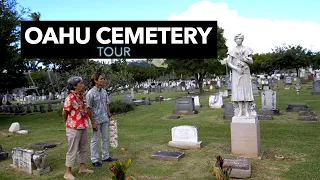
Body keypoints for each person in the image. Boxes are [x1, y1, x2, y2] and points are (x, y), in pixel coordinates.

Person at [63, 76, 94, 180]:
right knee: (72, 149)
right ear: (75, 86)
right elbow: (65, 112)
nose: (83, 85)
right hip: (73, 127)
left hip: (83, 125)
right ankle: (67, 172)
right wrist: (67, 122)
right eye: (81, 84)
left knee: (83, 147)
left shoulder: (82, 96)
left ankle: (82, 167)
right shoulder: (70, 97)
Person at [86, 73, 118, 167]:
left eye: (103, 79)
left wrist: (109, 115)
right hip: (95, 120)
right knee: (95, 139)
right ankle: (94, 159)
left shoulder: (104, 91)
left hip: (104, 118)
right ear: (95, 81)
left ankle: (105, 156)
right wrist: (93, 122)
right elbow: (89, 109)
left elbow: (106, 104)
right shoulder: (90, 93)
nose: (103, 80)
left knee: (105, 138)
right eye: (101, 79)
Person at [227, 33, 254, 117]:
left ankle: (246, 111)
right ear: (235, 40)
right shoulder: (232, 50)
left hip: (245, 71)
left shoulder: (247, 49)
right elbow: (229, 63)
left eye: (240, 38)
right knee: (238, 91)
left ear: (242, 39)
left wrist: (244, 59)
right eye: (237, 38)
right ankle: (240, 111)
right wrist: (236, 68)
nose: (238, 40)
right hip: (236, 72)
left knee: (246, 91)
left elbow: (251, 62)